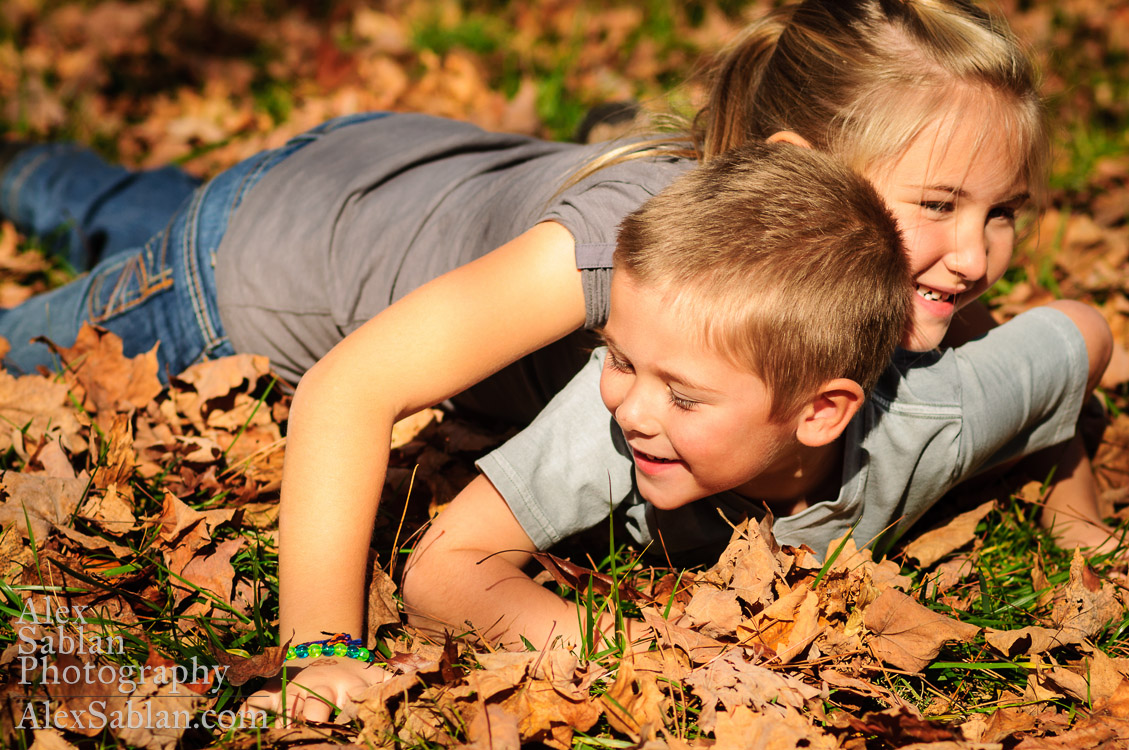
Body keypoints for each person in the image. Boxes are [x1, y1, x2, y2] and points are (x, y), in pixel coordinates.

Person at [0, 0, 1114, 722]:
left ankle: (47, 171)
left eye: (1001, 213)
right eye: (937, 206)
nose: (973, 256)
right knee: (60, 321)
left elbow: (1032, 357)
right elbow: (351, 386)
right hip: (254, 274)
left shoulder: (838, 275)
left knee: (115, 206)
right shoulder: (619, 252)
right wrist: (316, 650)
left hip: (396, 173)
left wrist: (1073, 495)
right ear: (793, 165)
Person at [399, 141, 1090, 651]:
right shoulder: (609, 424)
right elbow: (442, 568)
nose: (632, 409)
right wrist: (639, 653)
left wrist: (1073, 512)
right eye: (618, 357)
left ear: (822, 412)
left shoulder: (932, 420)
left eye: (685, 397)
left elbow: (1082, 337)